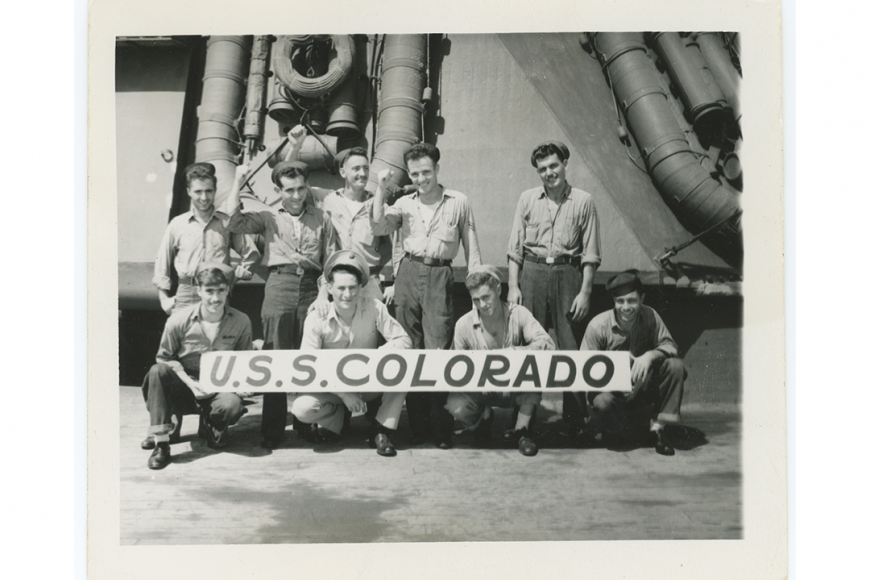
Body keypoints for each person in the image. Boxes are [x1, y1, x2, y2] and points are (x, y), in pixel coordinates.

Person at [372, 142, 483, 450]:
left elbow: (471, 245)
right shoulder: (404, 204)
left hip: (440, 276)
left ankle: (441, 429)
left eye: (426, 172)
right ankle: (418, 427)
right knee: (410, 348)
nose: (421, 179)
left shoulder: (458, 202)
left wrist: (476, 288)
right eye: (415, 174)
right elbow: (379, 226)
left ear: (437, 169)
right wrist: (380, 189)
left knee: (438, 350)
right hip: (408, 273)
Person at [225, 160, 340, 449]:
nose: (296, 195)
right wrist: (238, 179)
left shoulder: (322, 218)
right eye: (289, 190)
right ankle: (272, 430)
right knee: (275, 358)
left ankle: (305, 423)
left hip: (312, 289)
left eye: (301, 188)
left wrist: (324, 294)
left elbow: (331, 261)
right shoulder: (267, 217)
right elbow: (233, 222)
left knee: (310, 357)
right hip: (279, 286)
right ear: (279, 191)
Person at [506, 141, 602, 444]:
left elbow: (590, 253)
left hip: (568, 274)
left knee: (571, 348)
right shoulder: (527, 199)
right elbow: (515, 248)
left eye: (553, 166)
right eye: (542, 169)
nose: (549, 172)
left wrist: (585, 292)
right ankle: (522, 423)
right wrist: (513, 286)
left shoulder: (584, 201)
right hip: (532, 272)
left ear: (565, 164)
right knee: (527, 346)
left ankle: (575, 422)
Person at [290, 250, 412, 457]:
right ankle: (337, 419)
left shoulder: (375, 307)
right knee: (302, 408)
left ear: (360, 288)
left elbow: (403, 340)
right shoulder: (316, 318)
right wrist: (344, 394)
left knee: (401, 375)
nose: (347, 294)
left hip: (368, 383)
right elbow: (310, 365)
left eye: (352, 288)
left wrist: (377, 356)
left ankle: (382, 430)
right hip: (334, 390)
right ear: (329, 288)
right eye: (341, 288)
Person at [140, 262, 252, 470]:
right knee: (157, 372)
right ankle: (161, 443)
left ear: (228, 290)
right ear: (198, 291)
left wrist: (240, 386)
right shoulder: (178, 320)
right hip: (184, 385)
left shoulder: (241, 321)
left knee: (231, 405)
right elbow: (163, 358)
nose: (215, 298)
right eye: (209, 291)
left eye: (220, 290)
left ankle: (211, 423)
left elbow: (244, 360)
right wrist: (192, 385)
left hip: (218, 387)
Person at [446, 265, 555, 456]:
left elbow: (547, 344)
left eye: (486, 297)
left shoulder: (519, 313)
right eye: (476, 300)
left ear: (498, 289)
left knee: (534, 369)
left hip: (515, 387)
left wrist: (515, 352)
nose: (482, 304)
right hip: (482, 388)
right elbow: (457, 368)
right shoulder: (463, 324)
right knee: (455, 404)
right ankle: (483, 418)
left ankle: (522, 431)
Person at [281, 125, 392, 305]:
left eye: (366, 168)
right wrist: (295, 147)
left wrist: (390, 282)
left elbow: (390, 246)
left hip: (369, 284)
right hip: (336, 283)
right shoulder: (326, 199)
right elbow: (291, 181)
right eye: (356, 168)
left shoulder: (378, 205)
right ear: (343, 172)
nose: (362, 173)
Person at [580, 270, 687, 456]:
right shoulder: (598, 326)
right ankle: (612, 427)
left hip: (640, 387)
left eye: (632, 301)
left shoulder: (651, 316)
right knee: (604, 405)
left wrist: (649, 356)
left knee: (675, 366)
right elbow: (583, 370)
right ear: (614, 301)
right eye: (620, 301)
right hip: (611, 391)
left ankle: (657, 430)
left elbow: (671, 346)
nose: (626, 307)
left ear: (642, 298)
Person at [152, 162, 259, 314]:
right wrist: (163, 298)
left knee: (216, 330)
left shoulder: (226, 222)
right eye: (198, 191)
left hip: (217, 294)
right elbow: (162, 261)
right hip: (186, 294)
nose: (204, 197)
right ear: (189, 191)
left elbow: (252, 254)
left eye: (209, 191)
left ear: (215, 191)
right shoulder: (177, 224)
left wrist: (231, 277)